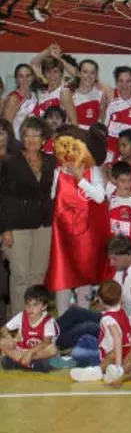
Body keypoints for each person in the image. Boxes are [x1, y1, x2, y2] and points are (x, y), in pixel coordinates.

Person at [46, 127, 110, 314]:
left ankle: (82, 314)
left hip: (86, 236)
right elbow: (52, 197)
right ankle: (62, 318)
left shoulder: (92, 170)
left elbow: (99, 197)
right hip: (63, 234)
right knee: (63, 275)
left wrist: (80, 179)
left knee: (85, 275)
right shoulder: (58, 171)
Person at [0, 118, 55, 318]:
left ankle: (36, 321)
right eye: (26, 135)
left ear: (43, 139)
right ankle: (17, 322)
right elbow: (3, 197)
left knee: (38, 275)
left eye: (35, 135)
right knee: (20, 276)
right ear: (21, 137)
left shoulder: (51, 161)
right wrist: (5, 229)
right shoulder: (10, 162)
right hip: (17, 225)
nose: (31, 139)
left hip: (44, 224)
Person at [70, 281, 131, 383]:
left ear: (100, 300)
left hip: (108, 354)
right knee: (85, 338)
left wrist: (118, 366)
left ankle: (96, 370)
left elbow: (117, 339)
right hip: (123, 348)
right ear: (120, 298)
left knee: (76, 353)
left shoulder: (108, 319)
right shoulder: (121, 310)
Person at [0, 284, 57, 372]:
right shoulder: (21, 316)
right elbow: (3, 329)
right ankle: (31, 364)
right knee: (2, 342)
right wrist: (12, 337)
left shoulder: (48, 321)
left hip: (37, 353)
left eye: (35, 305)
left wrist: (29, 353)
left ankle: (18, 363)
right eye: (28, 305)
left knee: (52, 349)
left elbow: (46, 342)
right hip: (21, 351)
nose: (30, 308)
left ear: (44, 306)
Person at [103, 66, 131, 163]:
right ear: (116, 83)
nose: (124, 85)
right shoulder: (109, 95)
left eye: (128, 81)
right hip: (110, 149)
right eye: (121, 81)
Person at [108, 162, 131, 256]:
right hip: (114, 249)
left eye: (129, 180)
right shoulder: (110, 195)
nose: (127, 184)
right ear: (114, 180)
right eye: (123, 181)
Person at [61, 59, 104, 131]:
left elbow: (101, 122)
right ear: (79, 73)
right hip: (73, 135)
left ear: (96, 75)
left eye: (92, 73)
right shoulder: (68, 94)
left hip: (93, 136)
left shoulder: (101, 95)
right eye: (85, 72)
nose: (89, 76)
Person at [2, 64, 39, 140]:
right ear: (16, 79)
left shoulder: (34, 95)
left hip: (31, 139)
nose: (25, 79)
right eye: (21, 76)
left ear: (32, 78)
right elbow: (6, 126)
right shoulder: (13, 98)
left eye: (27, 76)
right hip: (16, 141)